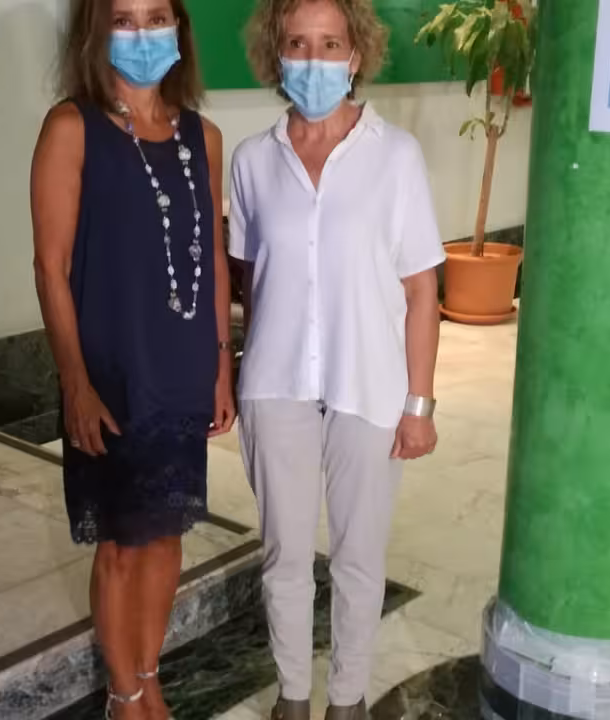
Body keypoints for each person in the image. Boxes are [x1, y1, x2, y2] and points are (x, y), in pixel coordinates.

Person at [230, 1, 445, 717]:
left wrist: (419, 404)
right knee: (284, 557)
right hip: (275, 385)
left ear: (355, 55)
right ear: (276, 52)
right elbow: (251, 282)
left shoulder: (396, 156)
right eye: (298, 43)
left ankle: (347, 700)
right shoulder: (252, 161)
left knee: (358, 559)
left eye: (330, 44)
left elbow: (421, 290)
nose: (313, 59)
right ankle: (293, 697)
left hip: (370, 386)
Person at [30, 0, 234, 717]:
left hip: (182, 366)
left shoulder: (203, 137)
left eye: (156, 17)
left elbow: (213, 258)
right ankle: (123, 696)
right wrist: (75, 383)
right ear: (96, 31)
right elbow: (50, 268)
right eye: (124, 19)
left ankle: (148, 676)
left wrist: (221, 366)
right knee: (120, 543)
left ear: (179, 28)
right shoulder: (70, 128)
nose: (143, 34)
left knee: (167, 533)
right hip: (113, 373)